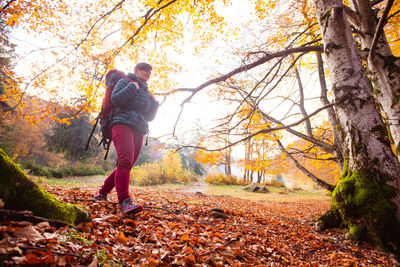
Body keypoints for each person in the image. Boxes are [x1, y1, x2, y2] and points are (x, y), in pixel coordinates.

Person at [94, 62, 159, 214]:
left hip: (139, 128)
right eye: (145, 70)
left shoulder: (145, 91)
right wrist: (132, 87)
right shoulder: (126, 82)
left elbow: (149, 117)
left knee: (127, 164)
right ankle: (124, 201)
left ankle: (101, 193)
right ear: (136, 70)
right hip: (122, 123)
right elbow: (116, 99)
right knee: (124, 161)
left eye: (150, 72)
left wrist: (154, 102)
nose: (148, 73)